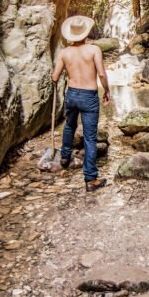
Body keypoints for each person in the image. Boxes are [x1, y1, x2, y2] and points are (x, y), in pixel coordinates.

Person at [52, 15, 110, 192]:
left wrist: (55, 77)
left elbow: (55, 77)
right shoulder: (94, 50)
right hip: (89, 95)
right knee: (90, 138)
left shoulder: (64, 53)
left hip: (72, 94)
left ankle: (64, 157)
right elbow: (101, 74)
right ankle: (90, 179)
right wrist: (107, 90)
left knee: (69, 126)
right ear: (85, 33)